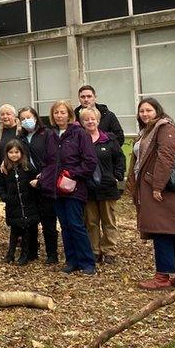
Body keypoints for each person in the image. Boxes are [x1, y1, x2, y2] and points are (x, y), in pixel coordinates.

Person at [128, 98, 175, 290]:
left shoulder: (164, 128)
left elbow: (166, 157)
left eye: (149, 110)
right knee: (173, 231)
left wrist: (158, 186)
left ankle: (162, 276)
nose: (145, 114)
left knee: (162, 230)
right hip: (153, 186)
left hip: (163, 189)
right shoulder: (147, 131)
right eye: (142, 111)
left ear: (157, 111)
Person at [39, 100, 98, 275]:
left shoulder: (79, 134)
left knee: (76, 224)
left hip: (74, 187)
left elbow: (90, 161)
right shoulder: (51, 135)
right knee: (64, 225)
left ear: (69, 114)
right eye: (56, 112)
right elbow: (48, 161)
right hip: (56, 189)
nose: (59, 116)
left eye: (63, 112)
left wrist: (72, 174)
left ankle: (87, 262)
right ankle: (71, 260)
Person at [80, 107, 126, 264]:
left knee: (109, 220)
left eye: (92, 119)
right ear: (82, 122)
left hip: (107, 187)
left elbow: (120, 158)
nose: (90, 121)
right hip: (88, 187)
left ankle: (109, 250)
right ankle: (94, 250)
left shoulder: (109, 139)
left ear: (98, 121)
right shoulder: (80, 140)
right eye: (86, 119)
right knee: (91, 221)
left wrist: (117, 176)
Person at [17, 106, 58, 264]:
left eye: (29, 117)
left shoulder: (47, 134)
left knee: (48, 220)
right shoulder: (21, 138)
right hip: (28, 181)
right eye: (22, 119)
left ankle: (51, 254)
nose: (26, 121)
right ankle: (30, 251)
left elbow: (52, 157)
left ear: (35, 117)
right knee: (30, 220)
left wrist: (43, 177)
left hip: (45, 180)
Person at [0, 139, 40, 266]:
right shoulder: (5, 169)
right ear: (7, 154)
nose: (14, 155)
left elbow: (35, 181)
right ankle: (10, 254)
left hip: (28, 205)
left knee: (27, 231)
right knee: (14, 230)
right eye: (11, 152)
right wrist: (5, 197)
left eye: (16, 152)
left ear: (21, 153)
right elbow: (0, 185)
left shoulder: (27, 167)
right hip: (13, 205)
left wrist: (34, 191)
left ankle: (25, 254)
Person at [0, 103, 19, 202]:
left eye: (8, 114)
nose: (5, 117)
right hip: (3, 173)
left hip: (19, 171)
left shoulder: (21, 130)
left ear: (14, 116)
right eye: (2, 114)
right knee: (5, 201)